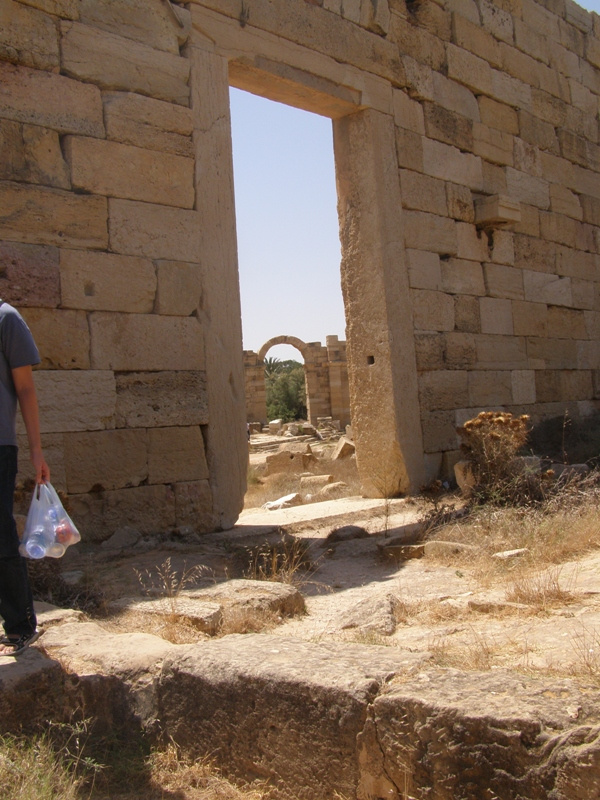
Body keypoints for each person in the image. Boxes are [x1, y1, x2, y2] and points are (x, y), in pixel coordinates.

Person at [0, 300, 49, 656]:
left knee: (0, 537)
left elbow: (26, 388)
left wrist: (36, 451)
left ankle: (20, 626)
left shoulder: (7, 318)